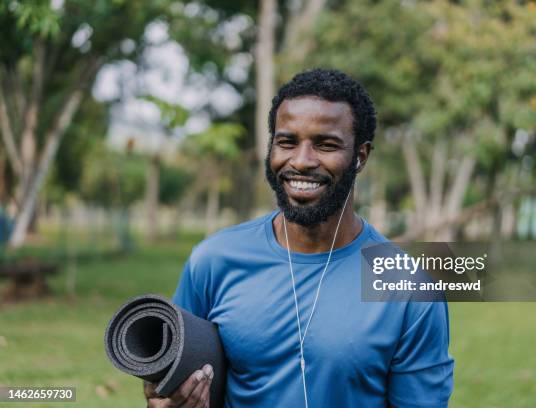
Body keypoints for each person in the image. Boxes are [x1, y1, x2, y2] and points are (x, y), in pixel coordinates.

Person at [144, 68, 454, 408]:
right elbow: (171, 381)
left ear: (361, 156)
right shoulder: (214, 261)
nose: (302, 161)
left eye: (326, 144)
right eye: (287, 142)